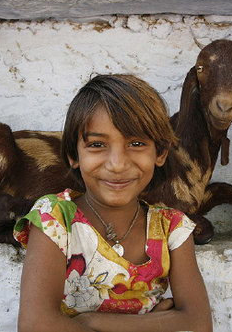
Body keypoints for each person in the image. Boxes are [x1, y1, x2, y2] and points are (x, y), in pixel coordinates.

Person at [15, 74, 213, 331]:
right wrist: (149, 325)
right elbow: (35, 325)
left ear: (161, 153)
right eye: (97, 144)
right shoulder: (55, 219)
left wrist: (90, 320)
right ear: (73, 154)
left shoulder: (171, 229)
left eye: (137, 143)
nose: (117, 164)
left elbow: (197, 324)